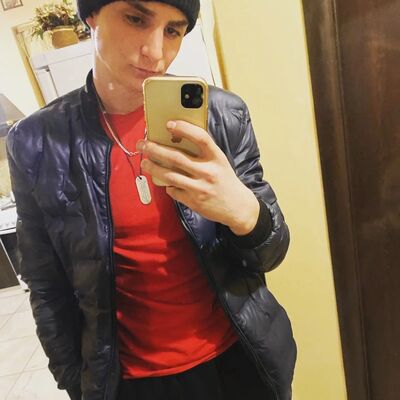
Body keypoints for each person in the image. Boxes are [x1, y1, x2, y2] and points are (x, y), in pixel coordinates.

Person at [7, 1, 296, 399]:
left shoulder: (224, 116)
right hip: (129, 383)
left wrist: (244, 212)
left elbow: (271, 254)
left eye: (173, 30)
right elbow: (45, 284)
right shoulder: (37, 141)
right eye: (136, 19)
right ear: (92, 16)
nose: (156, 52)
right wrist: (76, 381)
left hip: (239, 364)